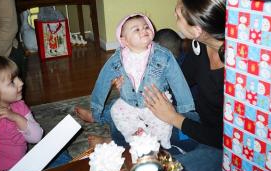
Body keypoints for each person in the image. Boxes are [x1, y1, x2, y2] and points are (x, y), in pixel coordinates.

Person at [143, 0, 232, 171]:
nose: (174, 15)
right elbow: (179, 80)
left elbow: (226, 138)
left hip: (223, 149)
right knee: (135, 124)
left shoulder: (236, 72)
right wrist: (136, 82)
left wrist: (173, 118)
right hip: (197, 122)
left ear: (197, 30)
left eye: (178, 15)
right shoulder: (199, 45)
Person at [76, 13, 195, 149]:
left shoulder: (162, 56)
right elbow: (102, 81)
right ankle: (136, 136)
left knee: (162, 124)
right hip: (128, 103)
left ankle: (159, 145)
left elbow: (177, 80)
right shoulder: (117, 59)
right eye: (136, 29)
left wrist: (187, 108)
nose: (144, 30)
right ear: (124, 41)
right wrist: (96, 107)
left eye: (146, 27)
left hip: (155, 103)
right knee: (117, 112)